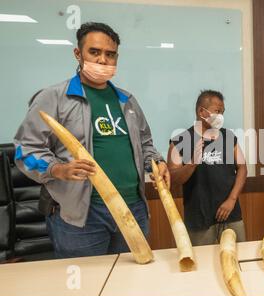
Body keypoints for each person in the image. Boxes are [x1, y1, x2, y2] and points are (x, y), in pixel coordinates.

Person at [14, 22, 170, 258]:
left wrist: (156, 162)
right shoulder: (54, 98)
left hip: (133, 209)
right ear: (78, 54)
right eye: (94, 52)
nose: (102, 60)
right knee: (86, 287)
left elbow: (146, 144)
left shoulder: (127, 101)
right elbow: (24, 149)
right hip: (83, 217)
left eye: (110, 54)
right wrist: (57, 169)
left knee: (130, 285)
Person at [167, 90, 247, 246]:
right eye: (217, 111)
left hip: (231, 214)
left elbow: (242, 168)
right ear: (201, 111)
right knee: (203, 264)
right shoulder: (180, 141)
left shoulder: (229, 137)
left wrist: (231, 200)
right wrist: (191, 164)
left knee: (239, 258)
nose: (221, 116)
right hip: (199, 218)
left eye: (222, 112)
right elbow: (173, 178)